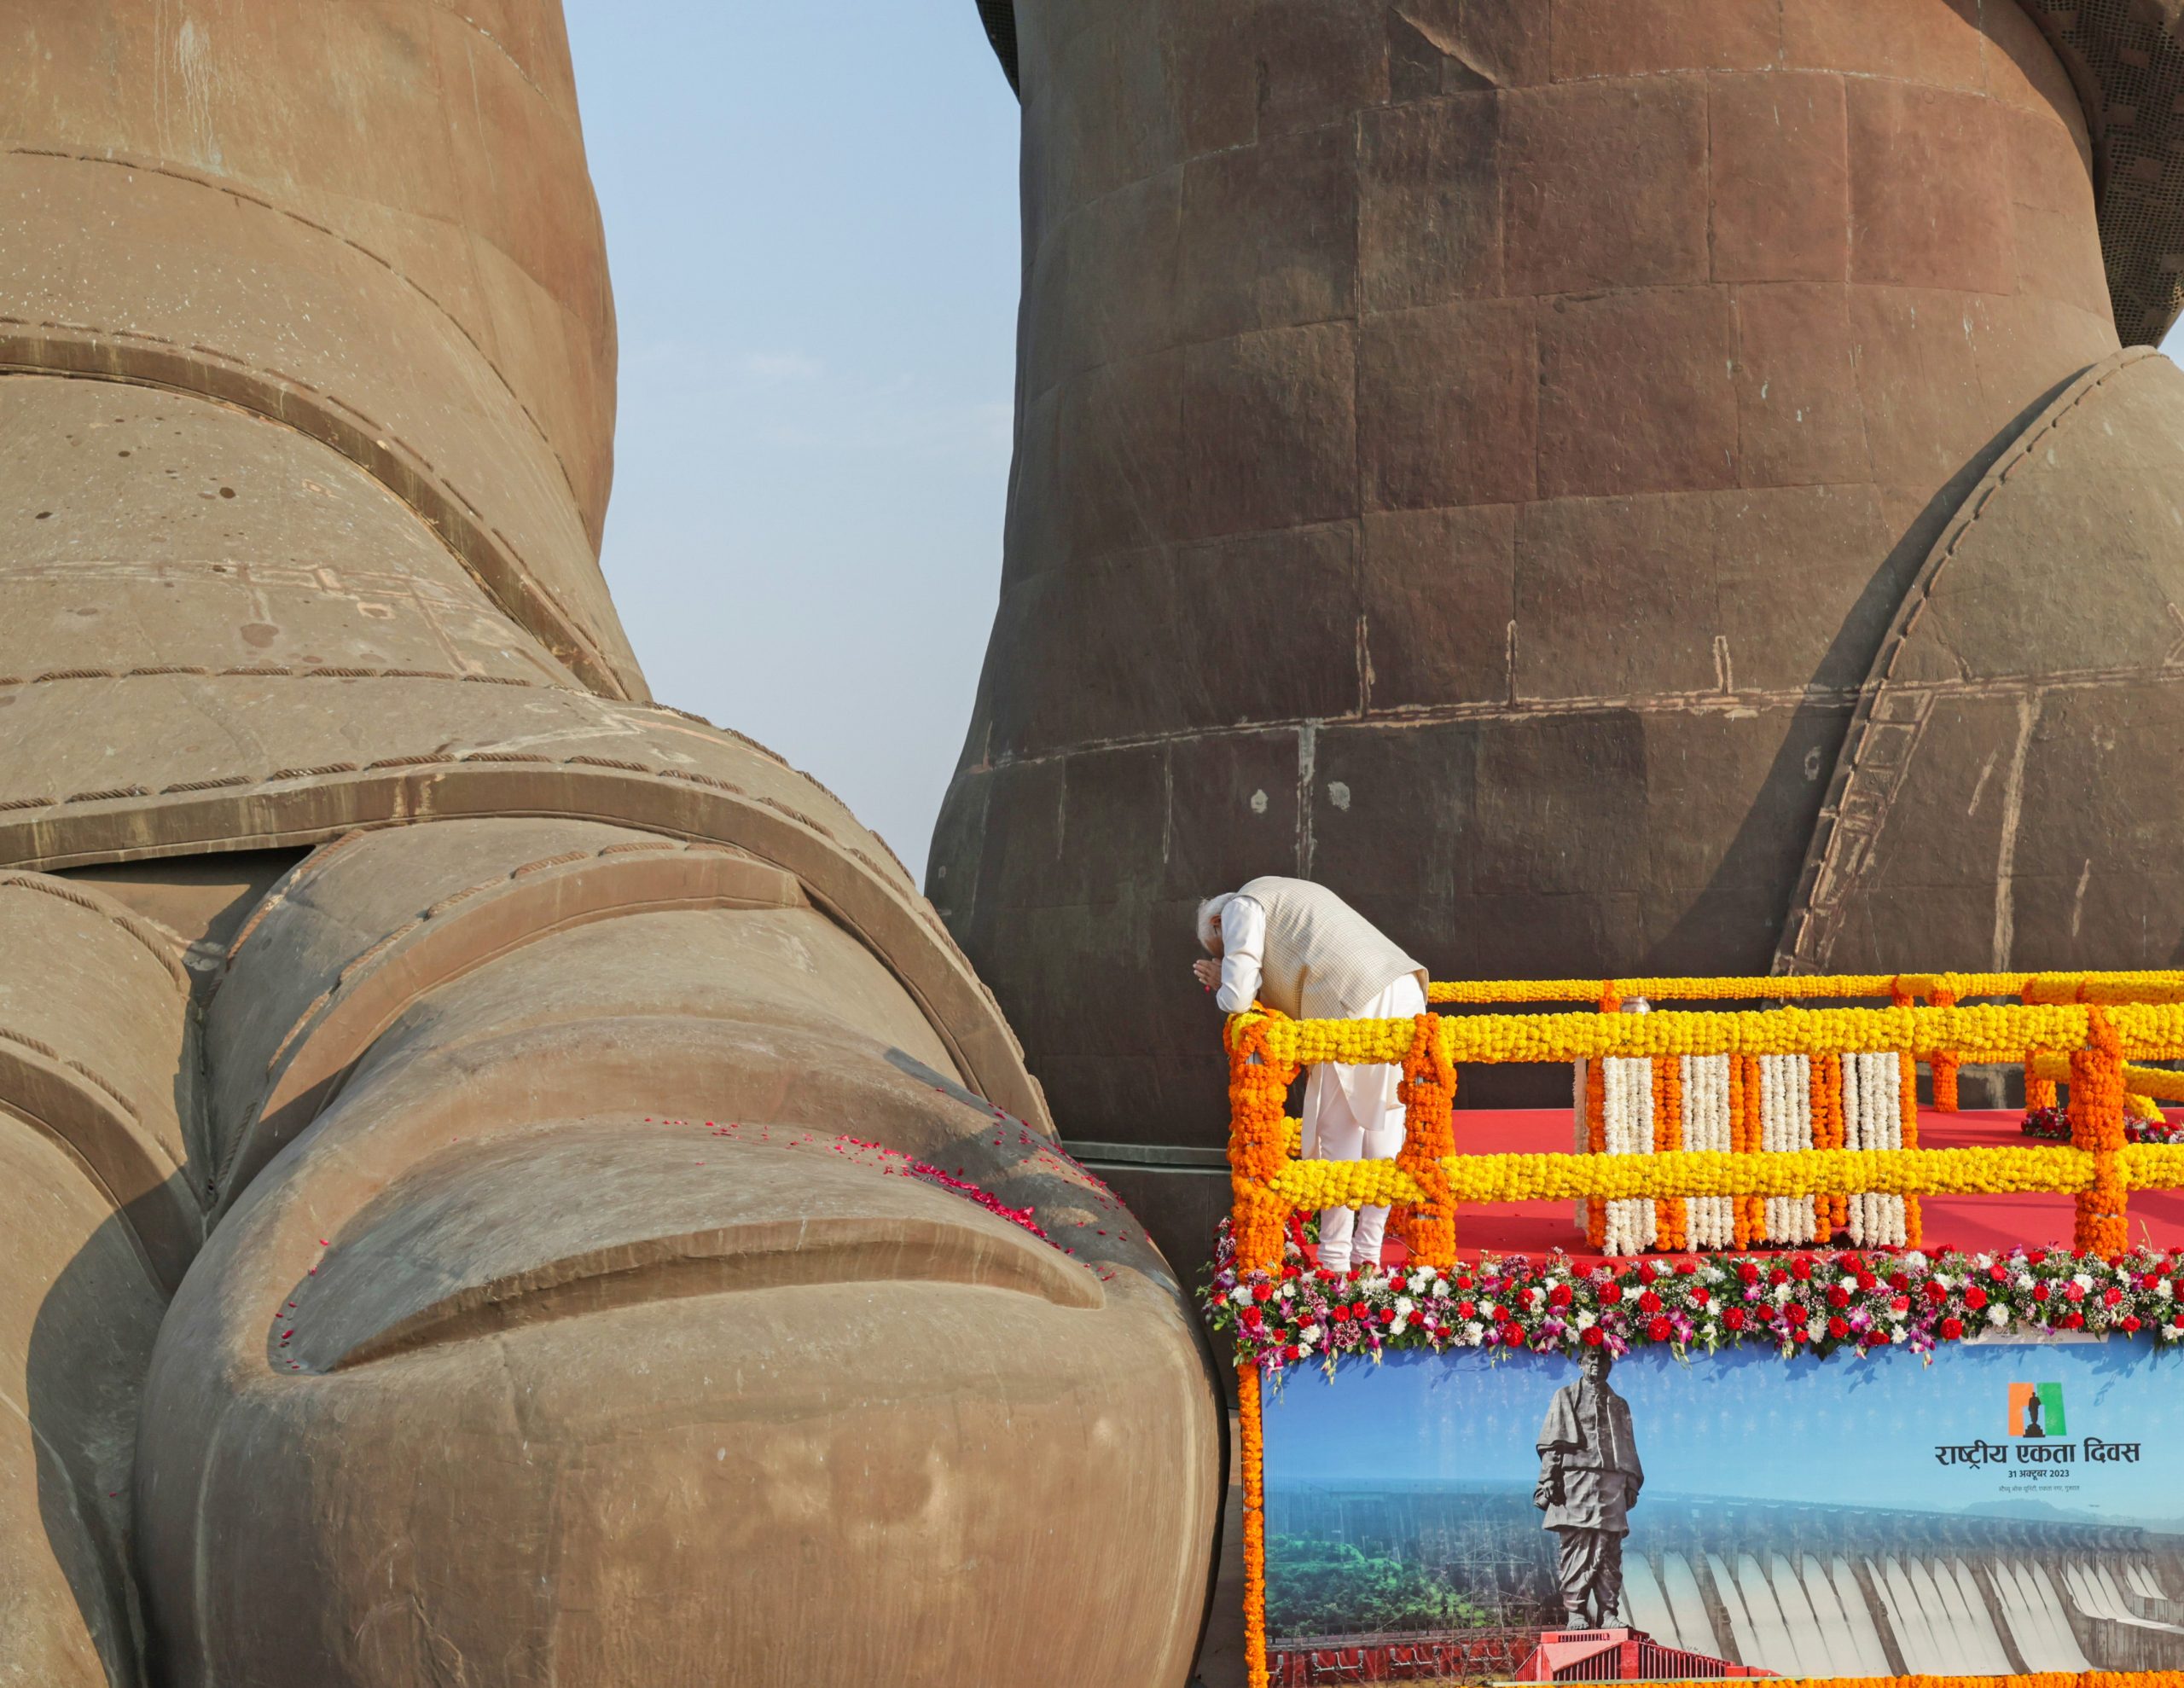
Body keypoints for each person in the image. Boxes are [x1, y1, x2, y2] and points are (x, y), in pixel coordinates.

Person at [1194, 876, 1428, 1273]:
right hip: (1404, 988)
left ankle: (1335, 1264)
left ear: (1218, 923)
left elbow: (1236, 995)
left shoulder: (1241, 905)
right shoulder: (1287, 896)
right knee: (1384, 1130)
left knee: (1337, 1133)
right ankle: (1367, 1256)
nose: (1228, 954)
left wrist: (1223, 981)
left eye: (1224, 949)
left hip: (1350, 1001)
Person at [1535, 1344, 1645, 1628]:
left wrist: (1630, 1483)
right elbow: (1552, 1443)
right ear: (1580, 1363)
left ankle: (1608, 1612)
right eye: (1591, 1358)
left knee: (1610, 1550)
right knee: (1576, 1547)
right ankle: (1575, 1611)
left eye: (1602, 1359)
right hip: (1576, 1482)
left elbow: (1629, 1447)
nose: (1597, 1362)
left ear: (1609, 1365)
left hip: (1611, 1483)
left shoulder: (1619, 1404)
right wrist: (1549, 1477)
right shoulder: (1566, 1396)